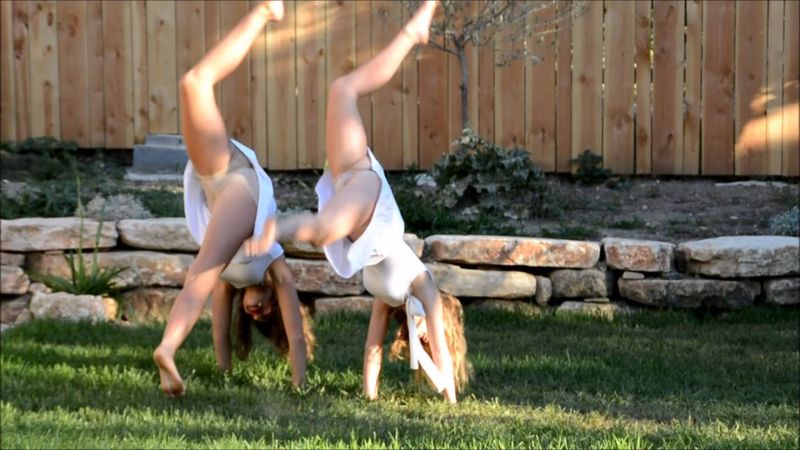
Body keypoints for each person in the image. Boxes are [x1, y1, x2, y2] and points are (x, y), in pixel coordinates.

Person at [245, 0, 463, 403]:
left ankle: (277, 226)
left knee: (340, 88)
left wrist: (370, 397)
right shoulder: (425, 287)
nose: (425, 334)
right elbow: (445, 353)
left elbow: (373, 350)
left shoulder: (389, 300)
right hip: (370, 201)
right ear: (441, 323)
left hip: (349, 184)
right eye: (432, 331)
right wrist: (451, 396)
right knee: (343, 91)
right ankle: (412, 34)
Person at [153, 0, 308, 397]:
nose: (258, 310)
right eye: (267, 311)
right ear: (274, 295)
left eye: (254, 315)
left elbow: (219, 329)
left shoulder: (229, 284)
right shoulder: (275, 265)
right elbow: (296, 332)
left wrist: (223, 371)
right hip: (242, 185)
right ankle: (265, 13)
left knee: (191, 83)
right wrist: (299, 383)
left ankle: (167, 350)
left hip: (214, 185)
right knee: (196, 82)